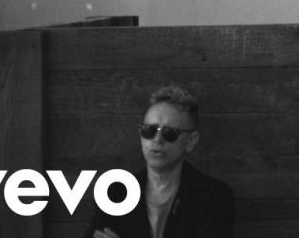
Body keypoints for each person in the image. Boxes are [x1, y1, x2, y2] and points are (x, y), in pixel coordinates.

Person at [85, 85, 234, 238]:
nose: (157, 140)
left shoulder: (214, 196)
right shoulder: (117, 192)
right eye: (148, 130)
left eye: (170, 133)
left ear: (191, 141)